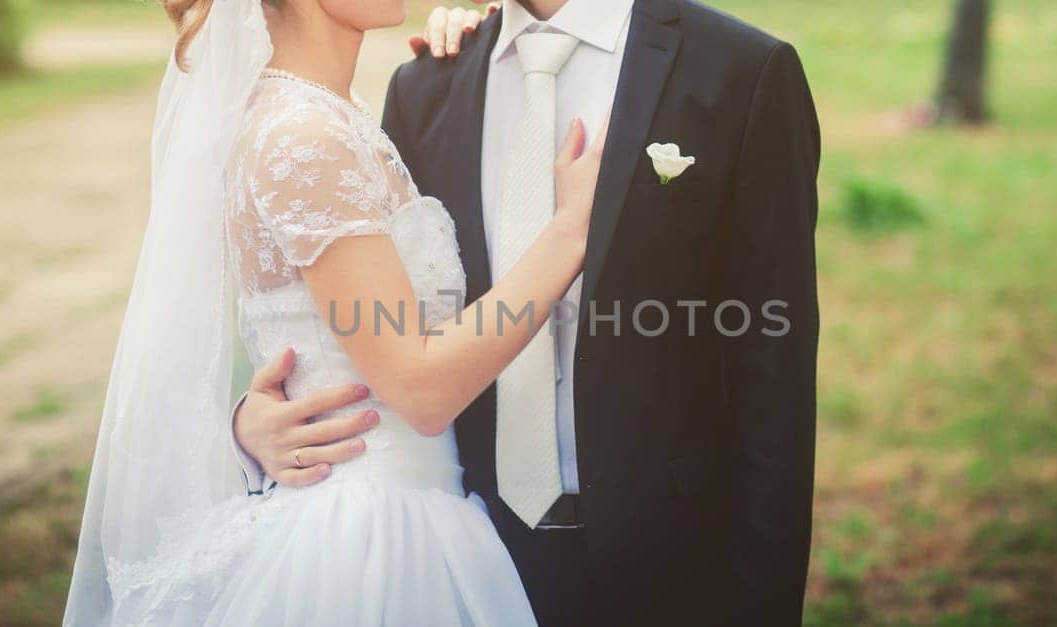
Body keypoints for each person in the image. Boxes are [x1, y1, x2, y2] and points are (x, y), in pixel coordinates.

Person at [232, 1, 822, 625]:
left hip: (672, 560)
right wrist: (252, 420)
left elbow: (775, 378)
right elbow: (365, 321)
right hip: (470, 553)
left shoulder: (741, 71)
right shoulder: (430, 82)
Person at [65, 0, 605, 623]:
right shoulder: (303, 137)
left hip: (407, 501)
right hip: (373, 534)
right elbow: (420, 387)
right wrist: (569, 233)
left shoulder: (329, 116)